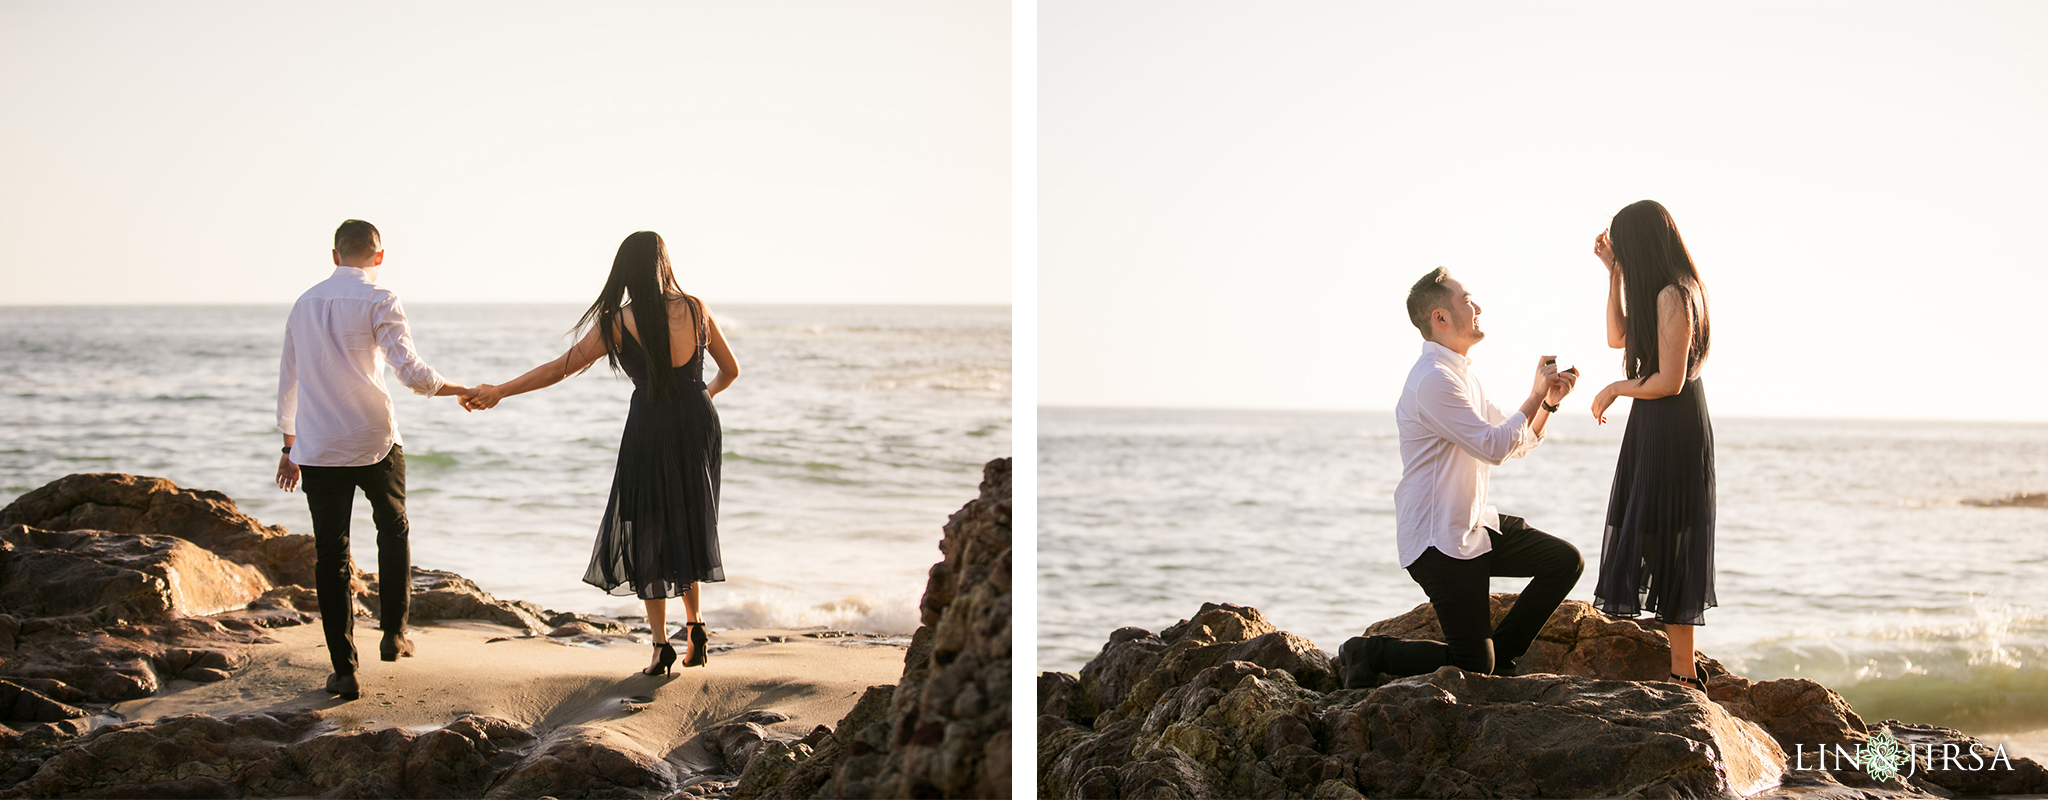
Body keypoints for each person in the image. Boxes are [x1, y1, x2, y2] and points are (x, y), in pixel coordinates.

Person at [462, 231, 738, 677]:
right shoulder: (696, 308)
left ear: (624, 271)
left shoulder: (618, 320)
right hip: (698, 422)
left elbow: (560, 368)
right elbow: (731, 371)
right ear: (664, 263)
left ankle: (661, 646)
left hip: (650, 424)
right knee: (689, 517)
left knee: (647, 523)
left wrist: (500, 391)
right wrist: (695, 399)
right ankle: (697, 627)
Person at [1337, 267, 1584, 689]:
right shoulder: (1432, 380)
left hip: (1472, 525)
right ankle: (1366, 653)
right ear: (1440, 317)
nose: (1478, 307)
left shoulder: (1462, 374)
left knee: (1564, 562)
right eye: (1468, 300)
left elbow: (1512, 441)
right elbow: (1492, 446)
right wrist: (1533, 394)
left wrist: (1547, 404)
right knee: (1471, 663)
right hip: (1438, 541)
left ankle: (1500, 656)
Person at [275, 219, 474, 701]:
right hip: (374, 440)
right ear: (379, 257)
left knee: (331, 555)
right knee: (393, 528)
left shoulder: (303, 304)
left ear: (334, 254)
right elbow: (409, 370)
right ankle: (393, 634)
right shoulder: (380, 298)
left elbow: (289, 378)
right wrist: (459, 390)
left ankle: (344, 671)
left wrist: (288, 447)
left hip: (319, 446)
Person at [1588, 199, 1716, 691]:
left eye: (1624, 248)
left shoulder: (1674, 295)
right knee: (1654, 529)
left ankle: (1684, 671)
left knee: (1671, 532)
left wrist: (1617, 389)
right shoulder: (1659, 291)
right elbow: (1616, 337)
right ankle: (1683, 663)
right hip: (1654, 422)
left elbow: (1670, 382)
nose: (1621, 254)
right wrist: (1614, 273)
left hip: (1671, 420)